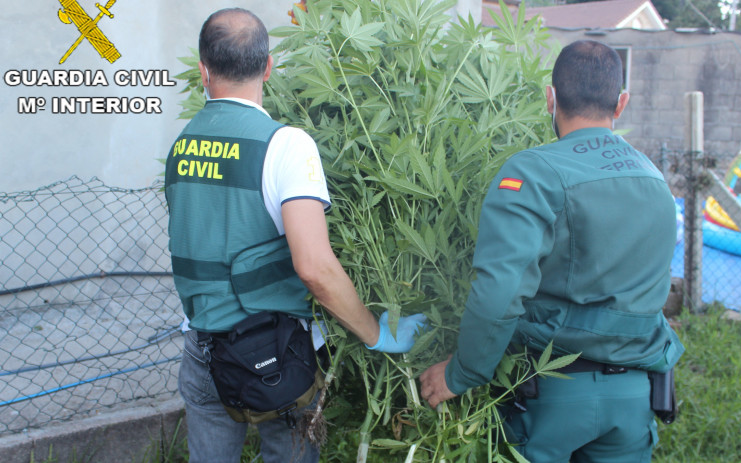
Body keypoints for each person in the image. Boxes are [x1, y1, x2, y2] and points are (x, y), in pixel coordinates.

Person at [164, 9, 425, 463]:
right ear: (268, 67)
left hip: (201, 349)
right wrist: (374, 333)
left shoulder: (181, 146)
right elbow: (315, 267)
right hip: (276, 355)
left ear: (204, 70)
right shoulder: (285, 145)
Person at [419, 40, 684, 462]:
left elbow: (500, 291)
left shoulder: (533, 172)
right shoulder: (655, 180)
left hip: (553, 394)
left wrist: (462, 372)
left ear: (550, 97)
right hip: (634, 397)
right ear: (621, 103)